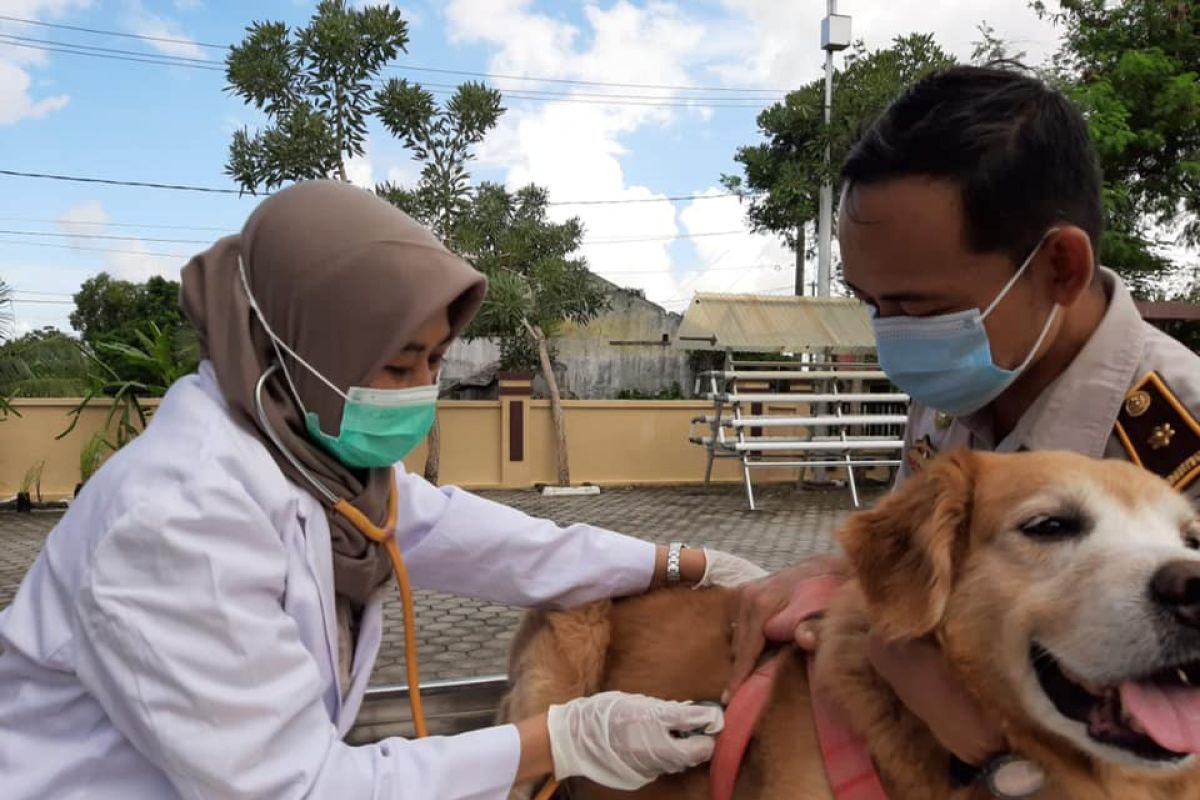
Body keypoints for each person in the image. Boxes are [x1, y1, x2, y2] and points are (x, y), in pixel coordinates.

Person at [0, 180, 766, 799]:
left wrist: (686, 563)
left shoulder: (314, 462)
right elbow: (298, 789)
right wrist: (564, 738)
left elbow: (491, 542)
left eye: (435, 360)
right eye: (398, 366)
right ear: (292, 347)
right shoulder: (178, 520)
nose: (422, 391)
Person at [727, 64, 1200, 793]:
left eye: (920, 308)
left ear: (1060, 267)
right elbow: (920, 577)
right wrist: (831, 577)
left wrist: (986, 747)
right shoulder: (960, 386)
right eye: (870, 303)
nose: (893, 338)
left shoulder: (1184, 422)